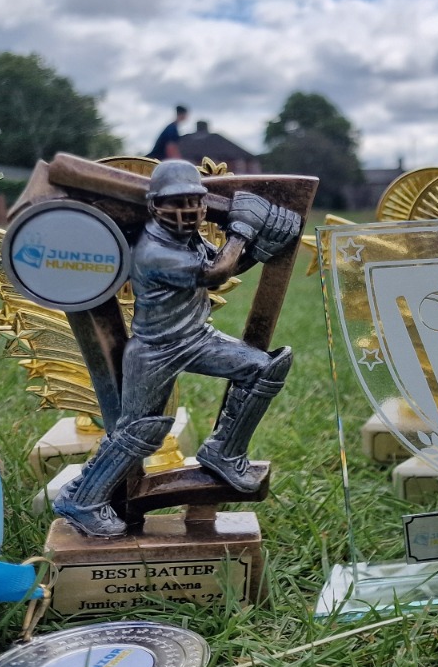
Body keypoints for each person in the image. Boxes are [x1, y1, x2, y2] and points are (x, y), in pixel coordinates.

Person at [52, 161, 302, 538]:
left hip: (195, 339)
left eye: (195, 203)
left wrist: (266, 244)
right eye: (175, 204)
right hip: (156, 350)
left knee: (264, 367)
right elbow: (216, 273)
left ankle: (224, 453)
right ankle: (82, 499)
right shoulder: (153, 249)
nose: (187, 213)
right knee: (142, 432)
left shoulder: (185, 237)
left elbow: (221, 268)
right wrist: (245, 228)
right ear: (153, 206)